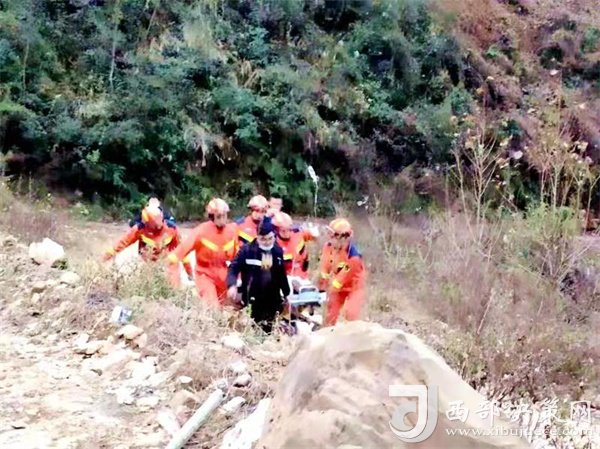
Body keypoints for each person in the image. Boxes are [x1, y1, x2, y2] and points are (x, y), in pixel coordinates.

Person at [167, 198, 238, 306]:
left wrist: (238, 280)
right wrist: (175, 284)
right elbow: (176, 256)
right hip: (205, 275)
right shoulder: (200, 232)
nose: (223, 219)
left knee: (232, 308)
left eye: (225, 215)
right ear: (211, 217)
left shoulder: (232, 231)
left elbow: (238, 259)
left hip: (224, 275)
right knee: (213, 307)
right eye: (219, 216)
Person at [226, 216, 290, 333]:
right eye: (263, 239)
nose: (267, 242)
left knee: (269, 329)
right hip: (252, 298)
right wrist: (232, 285)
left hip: (272, 299)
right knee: (254, 329)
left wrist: (286, 293)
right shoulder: (247, 251)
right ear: (257, 237)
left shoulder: (277, 251)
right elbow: (233, 268)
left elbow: (281, 274)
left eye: (270, 239)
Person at [102, 201, 193, 278]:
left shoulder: (172, 229)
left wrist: (189, 273)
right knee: (148, 282)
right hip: (148, 263)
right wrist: (103, 260)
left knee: (173, 282)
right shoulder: (139, 229)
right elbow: (120, 244)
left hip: (168, 263)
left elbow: (183, 252)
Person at [317, 218, 366, 326]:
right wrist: (321, 289)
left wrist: (330, 291)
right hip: (338, 284)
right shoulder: (328, 247)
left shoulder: (354, 257)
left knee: (351, 314)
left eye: (333, 236)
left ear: (344, 238)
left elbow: (341, 279)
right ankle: (328, 330)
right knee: (330, 313)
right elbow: (325, 267)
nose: (330, 239)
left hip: (354, 286)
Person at [272, 211, 318, 279]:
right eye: (283, 231)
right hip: (284, 278)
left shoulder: (298, 234)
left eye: (289, 229)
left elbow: (314, 236)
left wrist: (315, 233)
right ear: (277, 230)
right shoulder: (274, 244)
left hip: (302, 276)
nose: (287, 233)